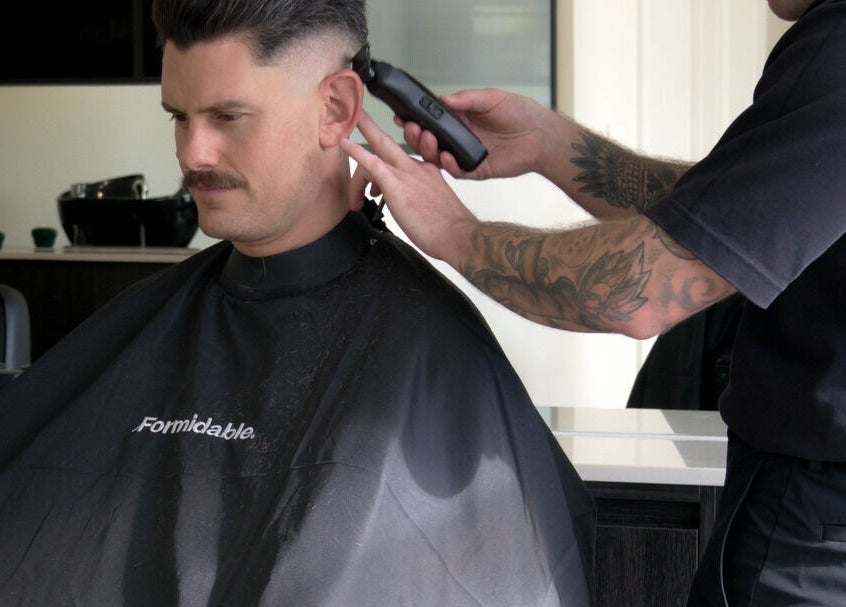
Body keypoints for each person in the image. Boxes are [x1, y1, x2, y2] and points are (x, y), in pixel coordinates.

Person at [0, 1, 596, 605]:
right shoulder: (145, 315)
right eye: (179, 117)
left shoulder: (423, 341)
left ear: (335, 109)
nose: (192, 153)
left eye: (228, 117)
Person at [340, 0, 846, 604]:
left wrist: (456, 232)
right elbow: (725, 213)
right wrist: (550, 144)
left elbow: (637, 293)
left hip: (813, 535)